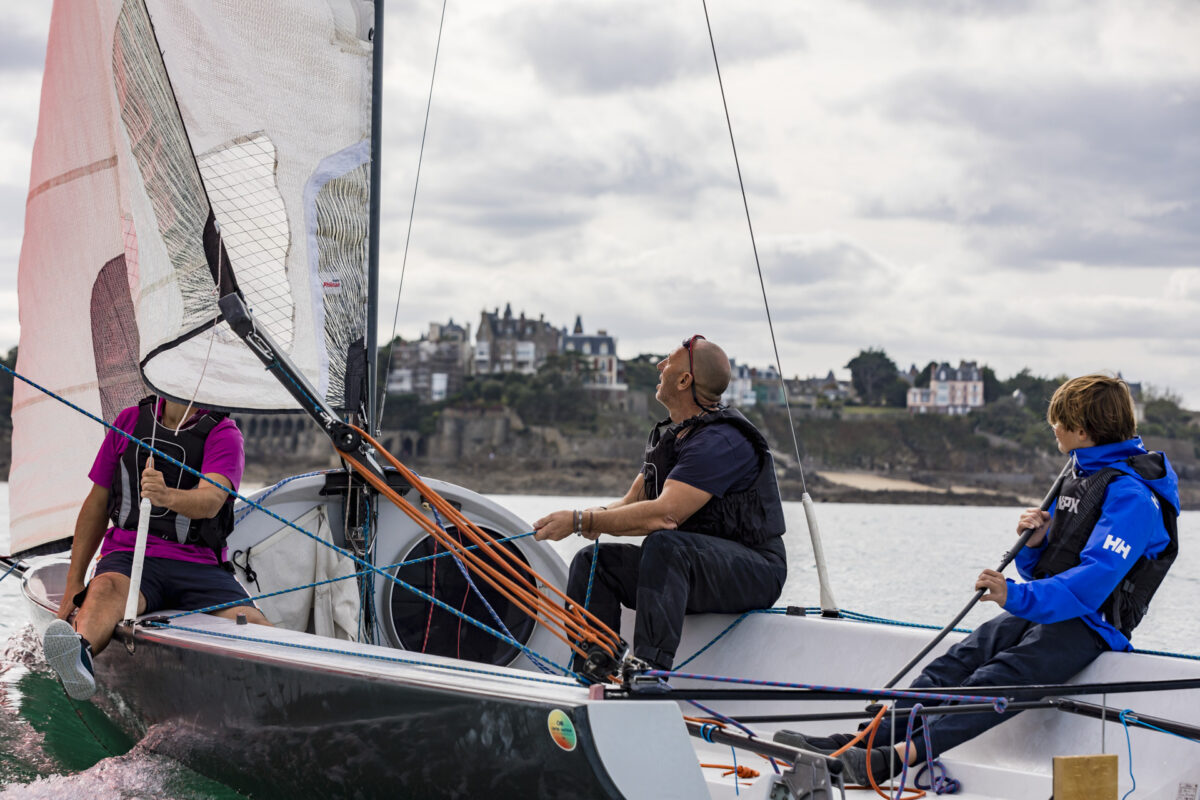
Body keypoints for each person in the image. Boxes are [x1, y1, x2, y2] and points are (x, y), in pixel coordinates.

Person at [777, 373, 1179, 786]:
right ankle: (859, 742)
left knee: (994, 680)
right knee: (955, 663)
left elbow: (1092, 583)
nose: (1053, 427)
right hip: (1051, 610)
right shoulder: (1083, 472)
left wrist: (1014, 596)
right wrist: (1038, 544)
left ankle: (891, 760)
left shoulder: (1132, 497)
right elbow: (1046, 570)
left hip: (1091, 625)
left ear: (1082, 430)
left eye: (1059, 421)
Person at [533, 335, 787, 677]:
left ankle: (649, 672)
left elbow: (665, 515)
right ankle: (594, 667)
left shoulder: (721, 441)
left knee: (664, 543)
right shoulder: (678, 439)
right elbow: (628, 505)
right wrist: (579, 522)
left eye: (668, 361)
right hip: (694, 565)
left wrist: (580, 520)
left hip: (756, 569)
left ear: (684, 380)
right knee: (593, 562)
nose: (659, 366)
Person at [43, 396, 271, 701]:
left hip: (199, 567)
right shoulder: (128, 422)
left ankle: (285, 692)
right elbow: (96, 505)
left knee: (253, 622)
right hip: (129, 557)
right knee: (106, 590)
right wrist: (74, 582)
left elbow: (211, 500)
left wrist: (166, 495)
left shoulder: (224, 434)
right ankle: (79, 655)